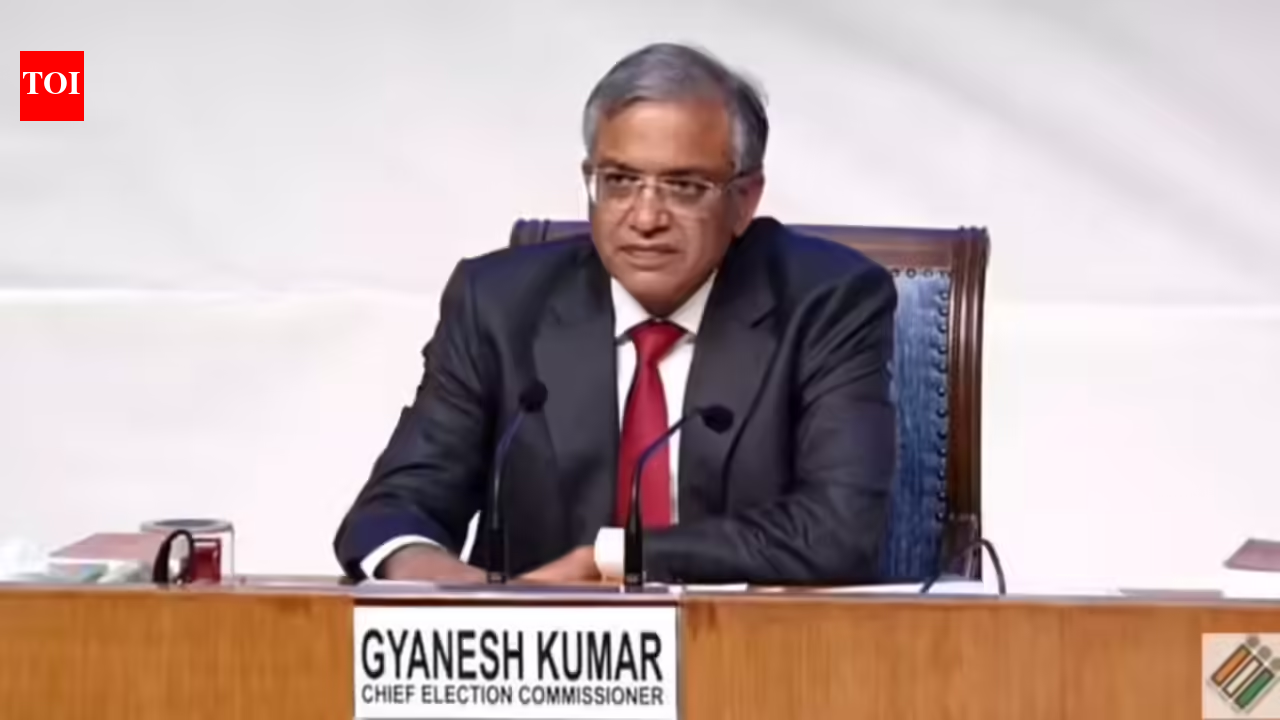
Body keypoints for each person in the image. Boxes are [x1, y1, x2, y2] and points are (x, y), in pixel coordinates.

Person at [334, 42, 898, 585]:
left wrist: (615, 559)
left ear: (744, 200)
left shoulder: (827, 303)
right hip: (543, 649)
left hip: (747, 644)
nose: (645, 218)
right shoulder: (500, 306)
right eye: (621, 181)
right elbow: (393, 513)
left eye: (684, 186)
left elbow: (837, 530)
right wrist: (469, 593)